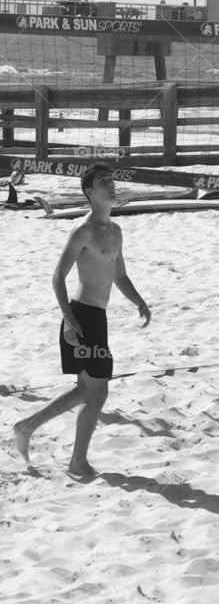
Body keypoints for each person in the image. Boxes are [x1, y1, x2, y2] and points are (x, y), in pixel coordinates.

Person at [13, 163, 151, 479]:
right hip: (82, 318)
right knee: (97, 394)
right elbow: (58, 276)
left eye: (112, 180)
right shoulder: (83, 231)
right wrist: (68, 318)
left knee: (84, 391)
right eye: (104, 181)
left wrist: (139, 301)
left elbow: (120, 275)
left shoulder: (115, 231)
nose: (111, 185)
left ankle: (25, 427)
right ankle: (77, 462)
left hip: (97, 319)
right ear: (89, 192)